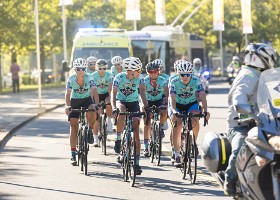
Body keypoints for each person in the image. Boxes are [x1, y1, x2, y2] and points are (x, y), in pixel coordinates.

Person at [223, 43, 277, 196]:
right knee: (240, 146)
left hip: (261, 123)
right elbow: (239, 98)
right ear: (259, 58)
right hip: (240, 124)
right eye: (270, 57)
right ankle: (230, 179)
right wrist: (243, 107)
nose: (272, 60)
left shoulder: (264, 76)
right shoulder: (248, 75)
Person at [111, 57, 149, 175]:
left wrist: (146, 107)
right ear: (131, 71)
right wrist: (114, 107)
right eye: (138, 70)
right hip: (120, 101)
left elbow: (142, 92)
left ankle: (137, 163)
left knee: (136, 133)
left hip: (134, 104)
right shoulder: (119, 77)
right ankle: (118, 139)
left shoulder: (141, 78)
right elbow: (113, 93)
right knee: (121, 111)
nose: (140, 71)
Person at [169, 60, 210, 167]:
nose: (185, 77)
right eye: (182, 75)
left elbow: (202, 96)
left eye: (188, 74)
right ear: (178, 74)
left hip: (191, 104)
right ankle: (177, 154)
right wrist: (173, 111)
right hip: (177, 104)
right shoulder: (173, 81)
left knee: (195, 119)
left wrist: (205, 111)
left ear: (191, 73)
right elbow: (172, 98)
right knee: (177, 125)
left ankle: (193, 142)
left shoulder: (196, 80)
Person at [65, 58, 99, 165]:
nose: (81, 71)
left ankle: (90, 129)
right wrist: (68, 106)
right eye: (79, 69)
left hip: (86, 100)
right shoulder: (71, 78)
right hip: (74, 101)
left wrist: (96, 104)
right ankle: (73, 154)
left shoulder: (90, 77)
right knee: (74, 127)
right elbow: (67, 93)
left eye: (83, 69)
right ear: (75, 69)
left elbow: (94, 89)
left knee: (93, 110)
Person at [142, 62, 168, 157]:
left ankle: (160, 127)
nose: (153, 73)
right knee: (147, 121)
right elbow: (142, 94)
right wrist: (145, 106)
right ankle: (145, 146)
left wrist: (165, 103)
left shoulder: (163, 80)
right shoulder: (144, 81)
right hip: (148, 101)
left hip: (159, 100)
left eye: (155, 71)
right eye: (151, 72)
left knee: (164, 110)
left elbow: (166, 94)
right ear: (148, 72)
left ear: (158, 71)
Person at [92, 59, 114, 146]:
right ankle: (95, 139)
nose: (102, 70)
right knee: (96, 118)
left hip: (106, 93)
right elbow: (92, 90)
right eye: (100, 68)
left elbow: (110, 89)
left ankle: (109, 120)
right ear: (97, 68)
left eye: (104, 68)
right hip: (96, 94)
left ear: (106, 68)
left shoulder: (110, 75)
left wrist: (111, 101)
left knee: (109, 103)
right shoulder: (93, 75)